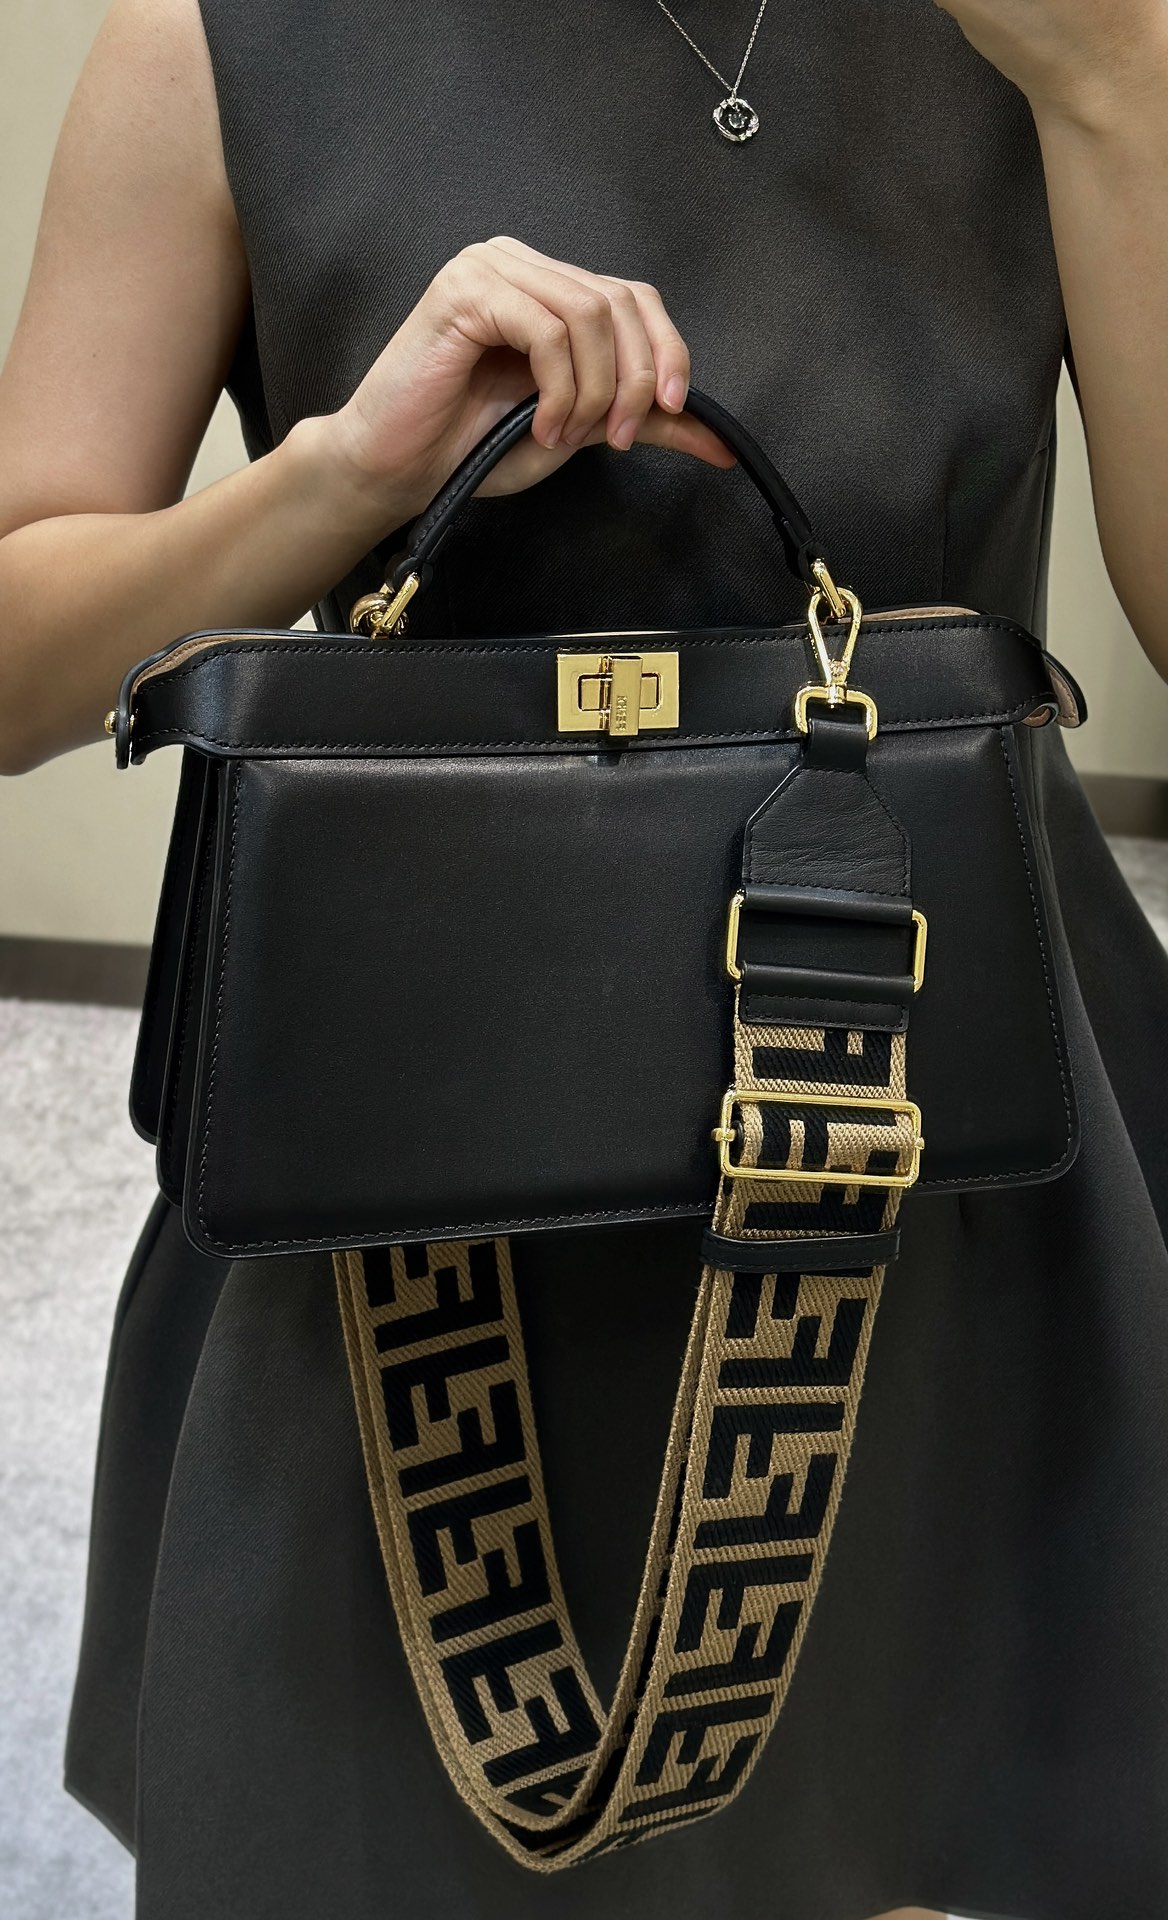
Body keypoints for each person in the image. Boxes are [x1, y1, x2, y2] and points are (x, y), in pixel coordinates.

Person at [2, 2, 1167, 1916]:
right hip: (416, 1220)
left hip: (955, 1147)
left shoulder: (1061, 36)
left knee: (925, 1814)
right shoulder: (221, 40)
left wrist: (1119, 87)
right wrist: (336, 485)